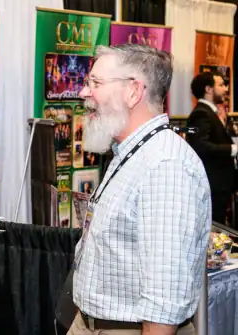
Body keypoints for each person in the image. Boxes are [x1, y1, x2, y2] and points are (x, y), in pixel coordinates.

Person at [70, 44, 210, 335]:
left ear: (134, 92)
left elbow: (164, 302)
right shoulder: (131, 153)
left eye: (95, 83)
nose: (84, 93)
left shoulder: (165, 166)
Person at [187, 71, 236, 226]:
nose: (226, 89)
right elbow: (200, 146)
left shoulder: (210, 113)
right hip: (213, 184)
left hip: (221, 184)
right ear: (208, 89)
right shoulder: (201, 114)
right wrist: (233, 148)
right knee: (215, 227)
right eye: (221, 85)